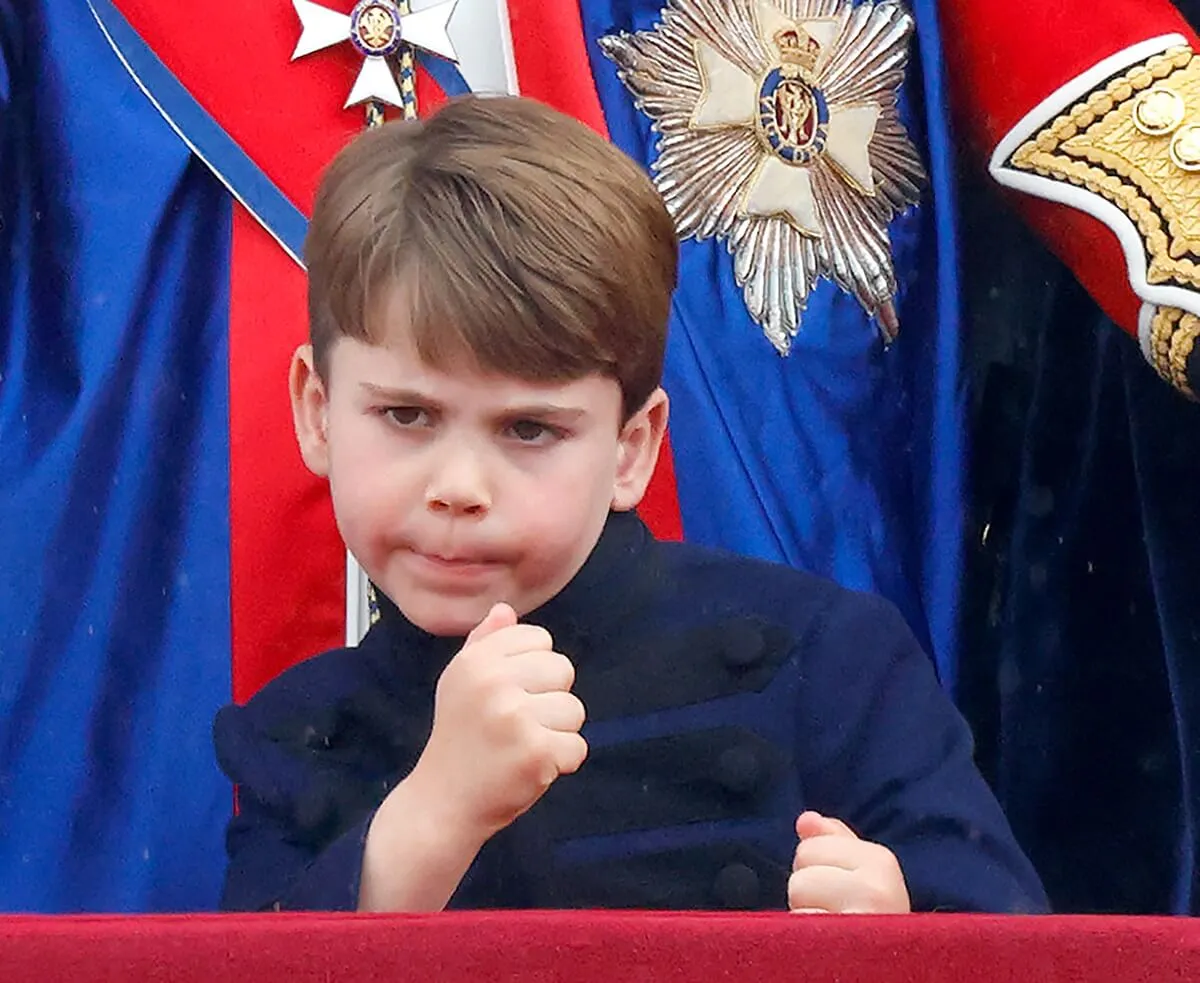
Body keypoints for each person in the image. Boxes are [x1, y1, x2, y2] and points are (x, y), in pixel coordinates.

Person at [213, 94, 1047, 915]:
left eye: (530, 429)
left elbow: (1023, 944)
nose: (459, 486)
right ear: (317, 411)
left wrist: (905, 942)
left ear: (631, 448)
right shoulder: (298, 734)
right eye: (406, 414)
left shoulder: (827, 662)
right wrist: (430, 818)